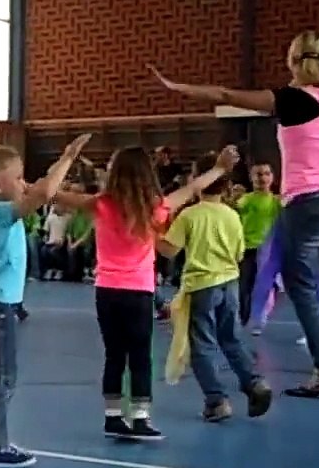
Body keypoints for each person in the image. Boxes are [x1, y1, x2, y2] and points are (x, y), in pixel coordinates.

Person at [151, 32, 319, 397]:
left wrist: (176, 86)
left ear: (293, 61)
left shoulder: (288, 99)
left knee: (302, 286)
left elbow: (226, 95)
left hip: (306, 202)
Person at [56, 146, 232, 440]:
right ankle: (140, 417)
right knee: (140, 356)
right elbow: (192, 189)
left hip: (107, 290)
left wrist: (66, 158)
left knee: (114, 354)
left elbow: (52, 194)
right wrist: (220, 169)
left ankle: (113, 416)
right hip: (138, 291)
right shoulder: (156, 207)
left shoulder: (100, 204)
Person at [0, 130, 89, 468]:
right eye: (17, 178)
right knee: (3, 378)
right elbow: (44, 192)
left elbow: (6, 181)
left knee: (1, 377)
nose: (23, 182)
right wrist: (68, 156)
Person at [159, 154, 272, 421]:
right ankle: (254, 382)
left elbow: (170, 250)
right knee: (231, 338)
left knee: (202, 345)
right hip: (229, 283)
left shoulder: (190, 215)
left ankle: (216, 400)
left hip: (201, 285)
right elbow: (239, 253)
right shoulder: (232, 215)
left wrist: (152, 235)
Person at [235, 163, 282, 329]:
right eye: (258, 174)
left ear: (272, 177)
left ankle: (259, 317)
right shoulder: (245, 200)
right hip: (248, 249)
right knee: (244, 285)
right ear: (251, 178)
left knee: (265, 286)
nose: (263, 178)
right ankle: (243, 318)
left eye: (267, 174)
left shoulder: (277, 202)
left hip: (268, 251)